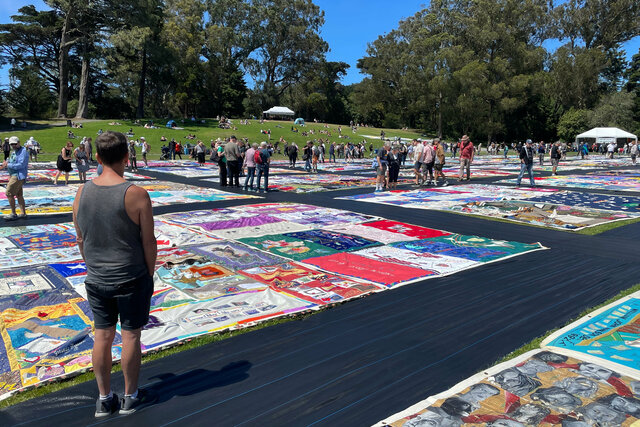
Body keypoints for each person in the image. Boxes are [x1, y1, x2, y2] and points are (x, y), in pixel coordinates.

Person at [72, 131, 157, 418]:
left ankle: (104, 398)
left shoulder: (82, 192)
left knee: (102, 335)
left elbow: (80, 237)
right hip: (131, 277)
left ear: (96, 157)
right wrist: (149, 271)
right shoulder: (136, 194)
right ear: (126, 157)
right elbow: (149, 241)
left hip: (97, 278)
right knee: (131, 336)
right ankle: (130, 396)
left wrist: (91, 265)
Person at [0, 136, 29, 220]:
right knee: (19, 194)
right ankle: (23, 213)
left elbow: (21, 165)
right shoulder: (15, 152)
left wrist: (8, 165)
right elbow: (11, 160)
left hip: (18, 175)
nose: (13, 146)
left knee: (9, 193)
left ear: (19, 142)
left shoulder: (23, 151)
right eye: (12, 144)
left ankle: (13, 213)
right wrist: (6, 163)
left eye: (15, 144)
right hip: (14, 175)